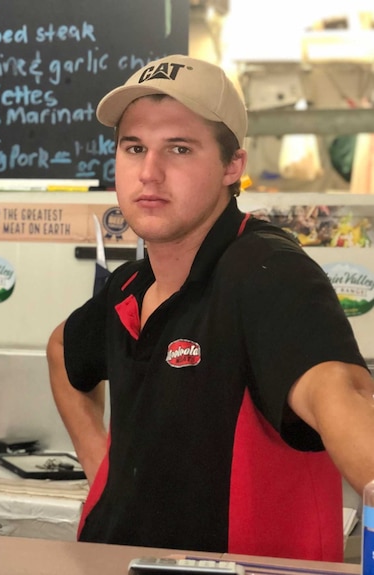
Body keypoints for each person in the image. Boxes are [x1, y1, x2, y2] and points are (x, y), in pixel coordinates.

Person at [47, 55, 374, 561]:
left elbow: (341, 392)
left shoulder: (269, 272)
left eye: (179, 148)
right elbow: (61, 351)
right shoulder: (129, 286)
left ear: (232, 166)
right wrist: (105, 478)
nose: (149, 173)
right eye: (134, 148)